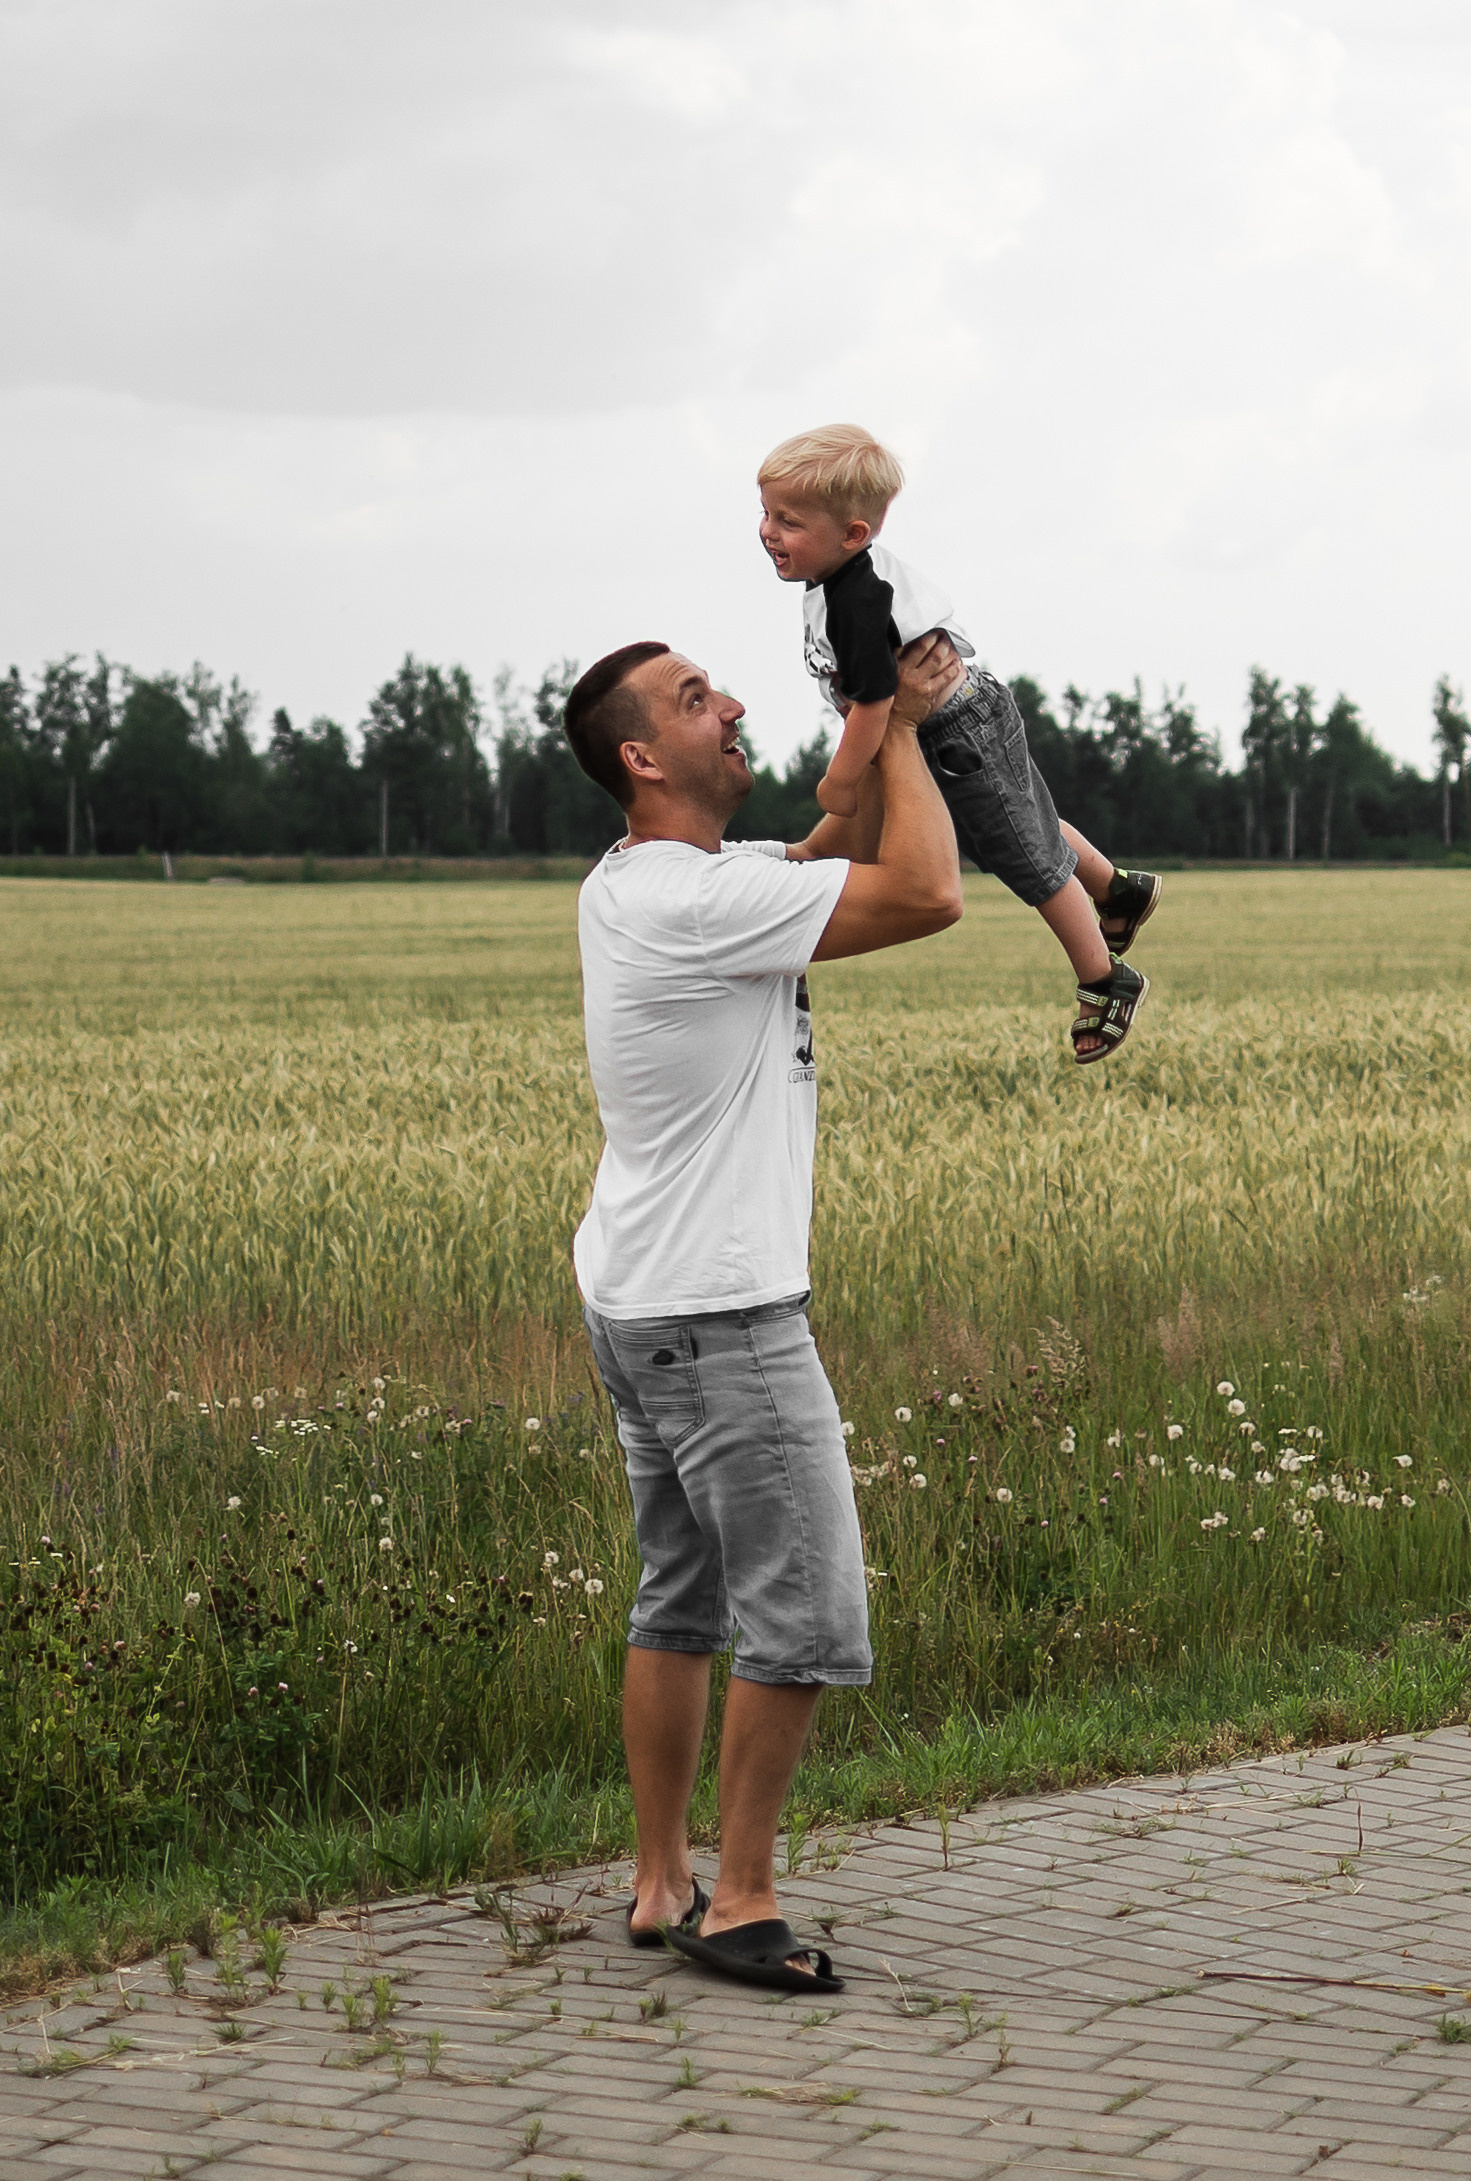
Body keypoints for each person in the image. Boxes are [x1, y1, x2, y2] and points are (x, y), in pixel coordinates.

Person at [562, 630, 964, 1994]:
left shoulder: (655, 883)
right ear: (638, 756)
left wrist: (869, 713)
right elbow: (923, 888)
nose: (729, 704)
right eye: (694, 700)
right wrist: (905, 727)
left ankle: (660, 1873)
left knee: (678, 1593)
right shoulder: (691, 905)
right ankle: (736, 1902)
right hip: (722, 1315)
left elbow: (832, 835)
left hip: (639, 1299)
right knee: (801, 1609)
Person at [758, 421, 1158, 1063]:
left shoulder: (855, 599)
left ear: (852, 534)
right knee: (1012, 816)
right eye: (767, 514)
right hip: (959, 713)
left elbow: (875, 702)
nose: (769, 532)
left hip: (953, 727)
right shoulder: (838, 577)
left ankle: (1105, 979)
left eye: (789, 521)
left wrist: (841, 780)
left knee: (1018, 847)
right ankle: (1116, 889)